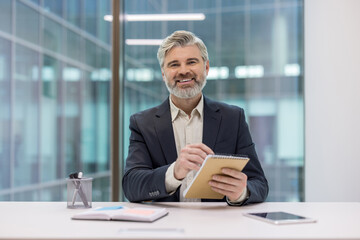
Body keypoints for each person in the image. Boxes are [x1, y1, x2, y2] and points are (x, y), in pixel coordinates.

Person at [122, 30, 268, 206]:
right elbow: (131, 186)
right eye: (174, 64)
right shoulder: (143, 123)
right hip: (166, 227)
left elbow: (259, 184)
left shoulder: (233, 118)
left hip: (218, 225)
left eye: (191, 62)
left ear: (206, 67)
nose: (183, 71)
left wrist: (241, 192)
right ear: (163, 74)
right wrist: (174, 171)